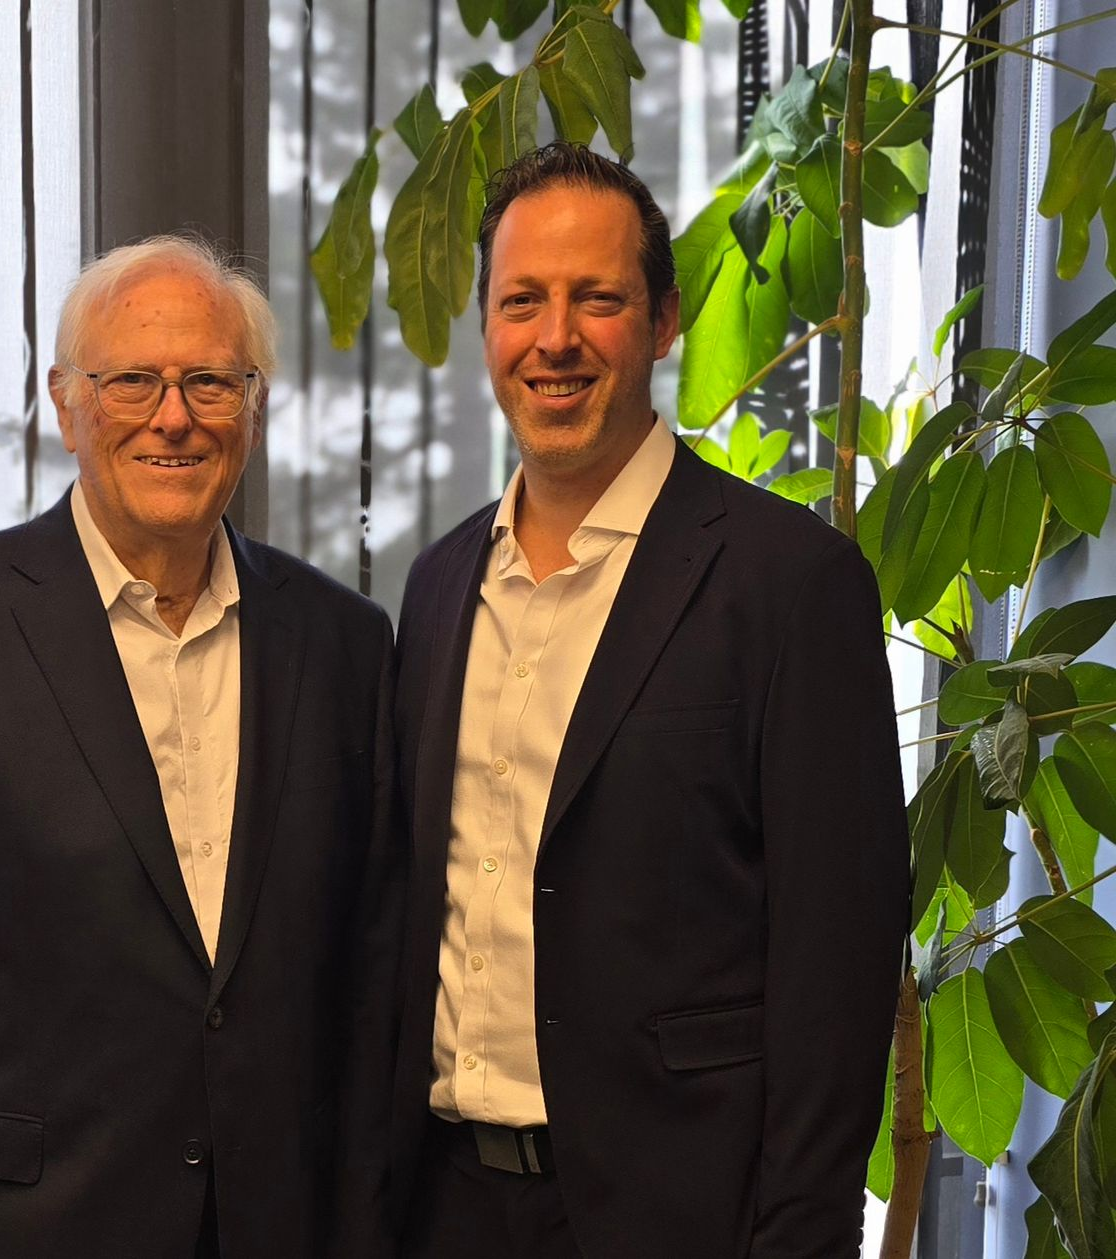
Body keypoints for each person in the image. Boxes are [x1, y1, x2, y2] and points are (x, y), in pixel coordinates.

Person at [0, 235, 402, 1259]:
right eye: (133, 379)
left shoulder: (345, 642)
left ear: (251, 406)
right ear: (66, 399)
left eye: (210, 382)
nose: (172, 416)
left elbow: (366, 984)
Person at [387, 144, 909, 1258]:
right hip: (443, 1208)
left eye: (599, 299)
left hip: (680, 1216)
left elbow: (839, 962)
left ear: (665, 319)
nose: (556, 337)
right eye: (522, 300)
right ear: (486, 325)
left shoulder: (791, 584)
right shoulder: (436, 586)